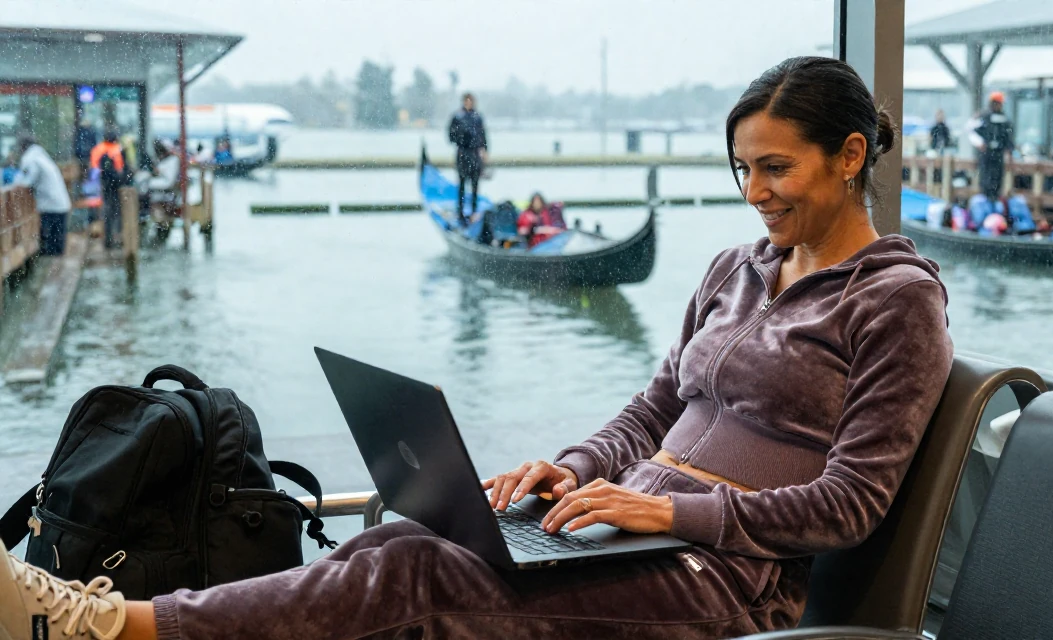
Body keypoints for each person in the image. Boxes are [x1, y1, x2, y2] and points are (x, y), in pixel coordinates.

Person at [0, 56, 955, 640]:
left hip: (727, 586)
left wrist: (674, 515)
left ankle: (98, 626)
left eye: (777, 167)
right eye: (743, 168)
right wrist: (573, 467)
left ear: (851, 155)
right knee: (403, 535)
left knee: (412, 579)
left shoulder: (896, 302)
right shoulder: (735, 269)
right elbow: (657, 407)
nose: (756, 191)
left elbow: (853, 506)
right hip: (612, 536)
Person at [12, 133, 72, 256]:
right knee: (57, 235)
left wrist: (19, 184)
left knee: (50, 234)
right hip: (56, 201)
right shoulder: (40, 156)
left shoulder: (32, 159)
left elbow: (29, 179)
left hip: (51, 202)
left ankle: (51, 258)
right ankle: (54, 256)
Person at [448, 92, 488, 223]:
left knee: (475, 184)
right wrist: (461, 137)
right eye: (467, 101)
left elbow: (483, 135)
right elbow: (450, 135)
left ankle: (474, 212)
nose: (469, 103)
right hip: (463, 154)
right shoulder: (457, 117)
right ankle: (460, 212)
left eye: (471, 101)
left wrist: (485, 151)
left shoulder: (477, 117)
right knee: (462, 184)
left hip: (475, 154)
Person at [967, 92, 1014, 202]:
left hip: (998, 154)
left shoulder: (1004, 119)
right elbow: (970, 129)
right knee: (985, 179)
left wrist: (1009, 151)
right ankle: (986, 198)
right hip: (986, 153)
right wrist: (979, 143)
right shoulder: (983, 116)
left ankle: (995, 199)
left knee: (997, 179)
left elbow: (1008, 136)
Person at [92, 130, 129, 249]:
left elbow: (94, 167)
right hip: (116, 185)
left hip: (102, 184)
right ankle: (117, 237)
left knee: (106, 212)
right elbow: (123, 169)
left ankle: (108, 240)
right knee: (116, 211)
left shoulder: (98, 149)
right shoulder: (118, 149)